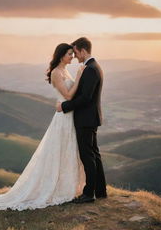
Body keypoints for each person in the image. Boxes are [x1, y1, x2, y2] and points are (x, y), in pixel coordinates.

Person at [0, 43, 86, 211]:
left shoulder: (65, 70)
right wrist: (80, 77)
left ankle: (67, 187)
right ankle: (52, 188)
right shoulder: (56, 73)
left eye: (72, 54)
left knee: (69, 151)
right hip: (63, 118)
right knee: (58, 151)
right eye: (69, 54)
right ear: (60, 55)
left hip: (70, 115)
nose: (72, 57)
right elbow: (67, 95)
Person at [56, 37, 107, 203]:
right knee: (94, 155)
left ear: (83, 50)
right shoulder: (93, 66)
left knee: (88, 156)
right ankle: (100, 191)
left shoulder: (91, 69)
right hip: (90, 118)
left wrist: (64, 107)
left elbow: (85, 98)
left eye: (76, 52)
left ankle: (88, 194)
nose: (75, 56)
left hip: (86, 119)